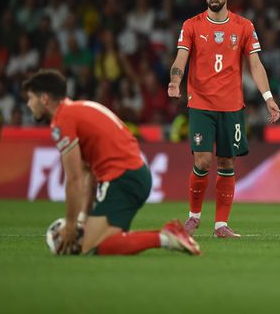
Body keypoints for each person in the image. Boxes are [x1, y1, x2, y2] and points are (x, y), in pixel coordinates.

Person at [22, 69, 200, 256]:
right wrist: (82, 219)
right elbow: (88, 173)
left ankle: (166, 237)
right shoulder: (78, 109)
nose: (28, 104)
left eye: (31, 98)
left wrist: (71, 225)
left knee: (88, 247)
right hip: (133, 175)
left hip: (121, 178)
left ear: (44, 99)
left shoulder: (62, 120)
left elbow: (74, 180)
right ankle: (166, 236)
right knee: (104, 243)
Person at [168, 0, 280, 238]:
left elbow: (255, 64)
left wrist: (268, 98)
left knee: (227, 162)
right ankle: (193, 217)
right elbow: (180, 57)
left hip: (232, 106)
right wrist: (176, 81)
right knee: (204, 160)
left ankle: (221, 225)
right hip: (201, 103)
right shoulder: (192, 25)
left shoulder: (244, 26)